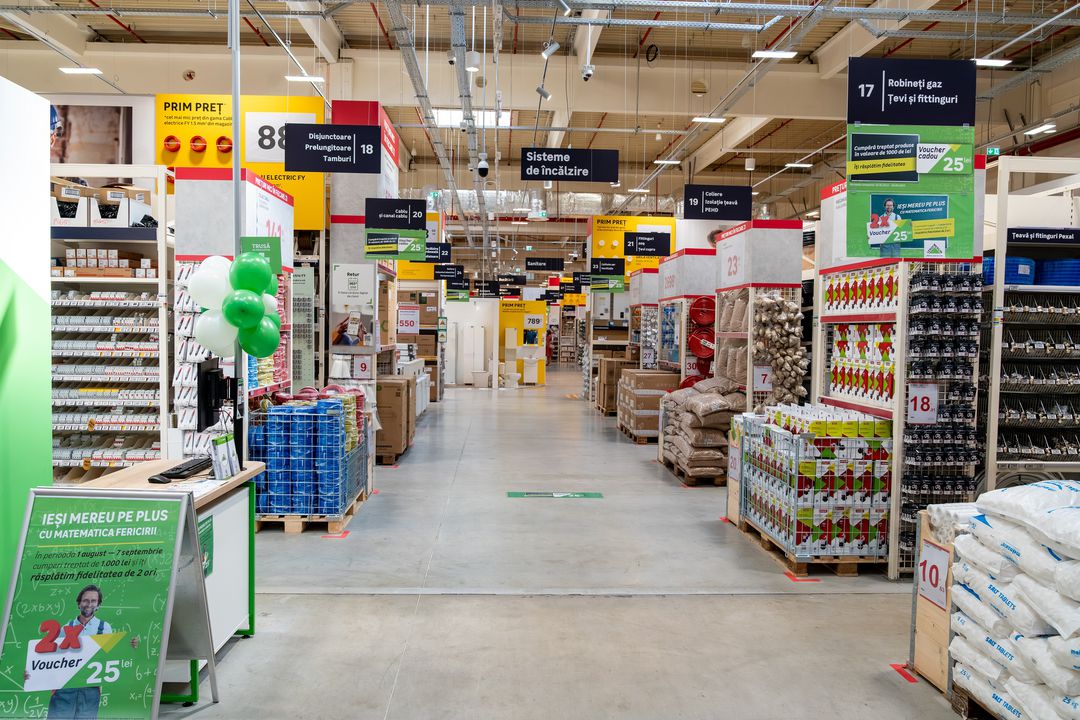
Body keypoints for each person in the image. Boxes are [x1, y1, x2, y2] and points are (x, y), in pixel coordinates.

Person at [44, 585, 139, 719]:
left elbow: (112, 655)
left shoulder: (105, 628)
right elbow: (51, 658)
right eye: (85, 600)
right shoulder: (65, 629)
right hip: (65, 688)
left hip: (91, 689)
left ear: (98, 605)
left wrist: (129, 646)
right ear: (79, 603)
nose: (89, 604)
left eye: (93, 601)